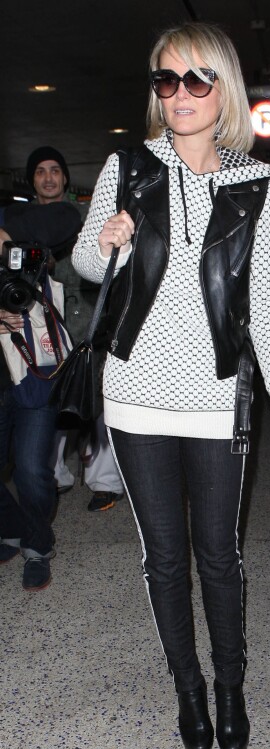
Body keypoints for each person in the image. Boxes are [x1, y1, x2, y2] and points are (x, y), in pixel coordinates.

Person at [72, 22, 270, 749]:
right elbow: (85, 262)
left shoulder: (256, 182)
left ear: (225, 89)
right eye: (165, 80)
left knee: (222, 556)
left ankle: (231, 687)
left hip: (217, 397)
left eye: (196, 80)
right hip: (135, 391)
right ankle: (189, 689)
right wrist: (104, 238)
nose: (179, 95)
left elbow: (264, 303)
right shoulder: (126, 165)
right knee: (163, 556)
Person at [23, 146, 124, 512]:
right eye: (40, 172)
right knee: (48, 407)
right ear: (32, 179)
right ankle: (54, 476)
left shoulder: (85, 219)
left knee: (96, 408)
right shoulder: (21, 225)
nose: (48, 177)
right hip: (41, 332)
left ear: (65, 178)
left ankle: (105, 481)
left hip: (88, 327)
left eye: (54, 170)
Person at [0, 203, 80, 590]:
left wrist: (8, 238)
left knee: (31, 471)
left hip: (33, 373)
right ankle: (14, 526)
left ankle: (36, 545)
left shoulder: (16, 230)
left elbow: (68, 218)